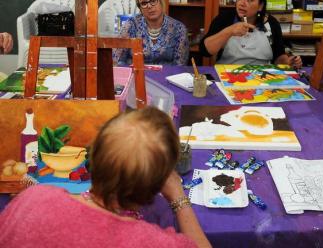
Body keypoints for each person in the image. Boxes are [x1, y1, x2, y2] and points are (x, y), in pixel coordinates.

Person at [0, 106, 211, 248]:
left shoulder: (33, 199)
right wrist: (178, 197)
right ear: (154, 188)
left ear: (93, 153)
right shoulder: (150, 241)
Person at [199, 0, 302, 68]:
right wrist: (230, 31)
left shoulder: (272, 23)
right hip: (227, 75)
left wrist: (288, 62)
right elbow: (205, 51)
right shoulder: (224, 19)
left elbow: (279, 56)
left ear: (260, 6)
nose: (242, 3)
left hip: (262, 77)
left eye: (249, 0)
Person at [114, 0, 189, 66]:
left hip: (166, 77)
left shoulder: (179, 29)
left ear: (160, 1)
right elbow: (117, 60)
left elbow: (180, 65)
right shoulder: (130, 25)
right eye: (144, 3)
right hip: (136, 76)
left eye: (153, 0)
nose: (149, 6)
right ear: (140, 9)